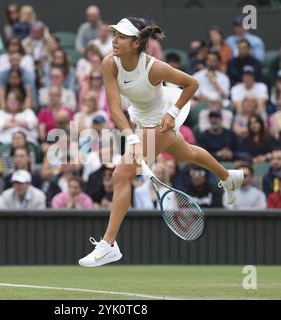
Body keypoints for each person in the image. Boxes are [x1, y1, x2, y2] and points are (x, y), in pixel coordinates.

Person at [78, 17, 244, 267]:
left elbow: (192, 83)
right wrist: (132, 136)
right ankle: (228, 177)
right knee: (186, 154)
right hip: (142, 118)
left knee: (122, 175)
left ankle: (109, 244)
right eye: (114, 35)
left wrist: (173, 114)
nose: (114, 41)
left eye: (121, 37)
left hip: (164, 118)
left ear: (136, 43)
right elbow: (114, 108)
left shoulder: (154, 68)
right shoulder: (109, 63)